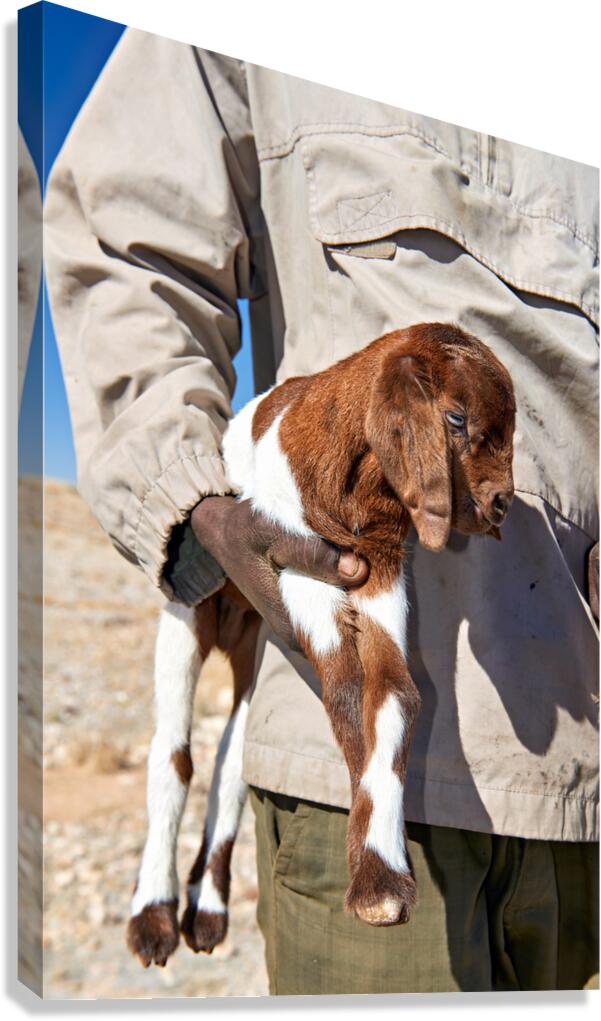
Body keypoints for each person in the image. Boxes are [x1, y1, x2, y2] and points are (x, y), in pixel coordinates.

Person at [44, 28, 599, 995]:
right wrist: (191, 499)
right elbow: (122, 238)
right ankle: (174, 872)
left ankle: (206, 874)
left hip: (578, 782)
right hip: (348, 757)